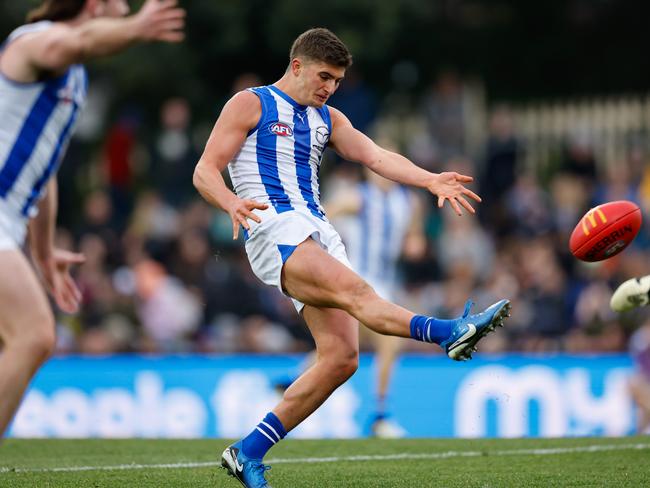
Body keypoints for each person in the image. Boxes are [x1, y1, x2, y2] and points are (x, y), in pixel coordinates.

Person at [193, 28, 511, 488]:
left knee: (342, 357)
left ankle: (247, 451)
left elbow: (377, 156)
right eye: (324, 76)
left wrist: (429, 181)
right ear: (297, 65)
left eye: (337, 80)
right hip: (274, 228)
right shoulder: (251, 103)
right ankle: (449, 332)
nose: (329, 87)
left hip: (318, 231)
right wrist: (229, 202)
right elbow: (205, 169)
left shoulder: (328, 118)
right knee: (360, 294)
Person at [0, 0, 185, 438]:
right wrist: (138, 28)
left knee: (32, 336)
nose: (125, 8)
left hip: (8, 221)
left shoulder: (74, 78)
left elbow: (44, 174)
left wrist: (43, 253)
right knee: (34, 333)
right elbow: (76, 39)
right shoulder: (37, 42)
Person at [327, 164, 426, 438]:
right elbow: (324, 213)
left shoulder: (408, 201)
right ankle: (380, 416)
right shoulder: (358, 197)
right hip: (359, 278)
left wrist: (415, 243)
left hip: (385, 282)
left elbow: (415, 236)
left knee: (346, 344)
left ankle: (290, 379)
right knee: (391, 343)